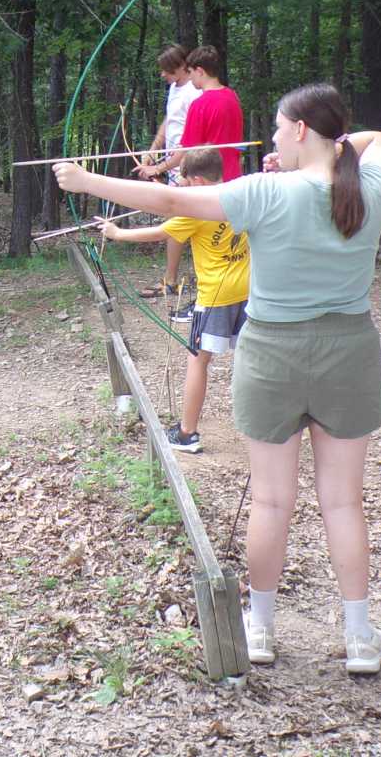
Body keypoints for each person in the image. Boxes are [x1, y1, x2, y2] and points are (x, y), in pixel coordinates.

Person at [53, 82, 381, 677]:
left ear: (297, 131)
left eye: (278, 127)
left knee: (271, 499)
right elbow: (376, 140)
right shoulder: (369, 187)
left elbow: (168, 204)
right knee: (343, 502)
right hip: (350, 350)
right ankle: (360, 637)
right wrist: (330, 150)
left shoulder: (264, 192)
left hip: (273, 355)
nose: (270, 138)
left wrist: (88, 183)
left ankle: (259, 629)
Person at [99, 148, 247, 454]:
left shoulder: (196, 210)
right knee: (255, 358)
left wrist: (116, 233)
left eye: (184, 179)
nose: (181, 185)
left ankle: (187, 433)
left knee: (197, 361)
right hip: (249, 292)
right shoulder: (241, 192)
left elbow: (158, 233)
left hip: (216, 297)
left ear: (196, 179)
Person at [140, 45, 244, 321]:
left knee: (206, 245)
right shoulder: (231, 97)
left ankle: (204, 304)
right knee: (226, 245)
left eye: (194, 74)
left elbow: (186, 151)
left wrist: (157, 169)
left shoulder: (200, 103)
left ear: (199, 71)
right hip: (231, 179)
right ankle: (229, 299)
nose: (193, 82)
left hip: (206, 183)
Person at [136, 46, 198, 303]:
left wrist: (159, 168)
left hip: (189, 165)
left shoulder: (195, 93)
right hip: (173, 163)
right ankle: (171, 280)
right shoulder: (175, 88)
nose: (162, 75)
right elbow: (168, 121)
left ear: (182, 66)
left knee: (190, 221)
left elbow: (192, 140)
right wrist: (153, 150)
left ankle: (183, 281)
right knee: (177, 221)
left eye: (167, 69)